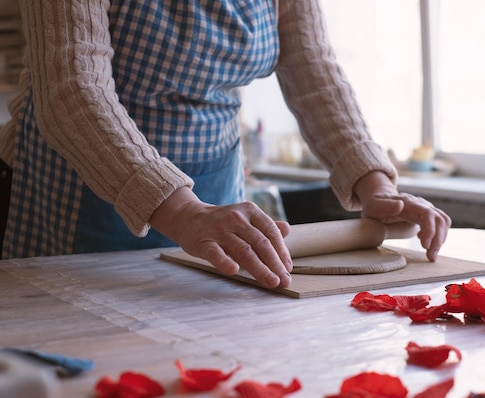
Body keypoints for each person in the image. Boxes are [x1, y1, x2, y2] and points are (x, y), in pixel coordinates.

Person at [0, 0, 451, 288]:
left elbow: (311, 67)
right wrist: (183, 212)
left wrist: (376, 187)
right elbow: (72, 92)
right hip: (88, 182)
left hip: (216, 187)